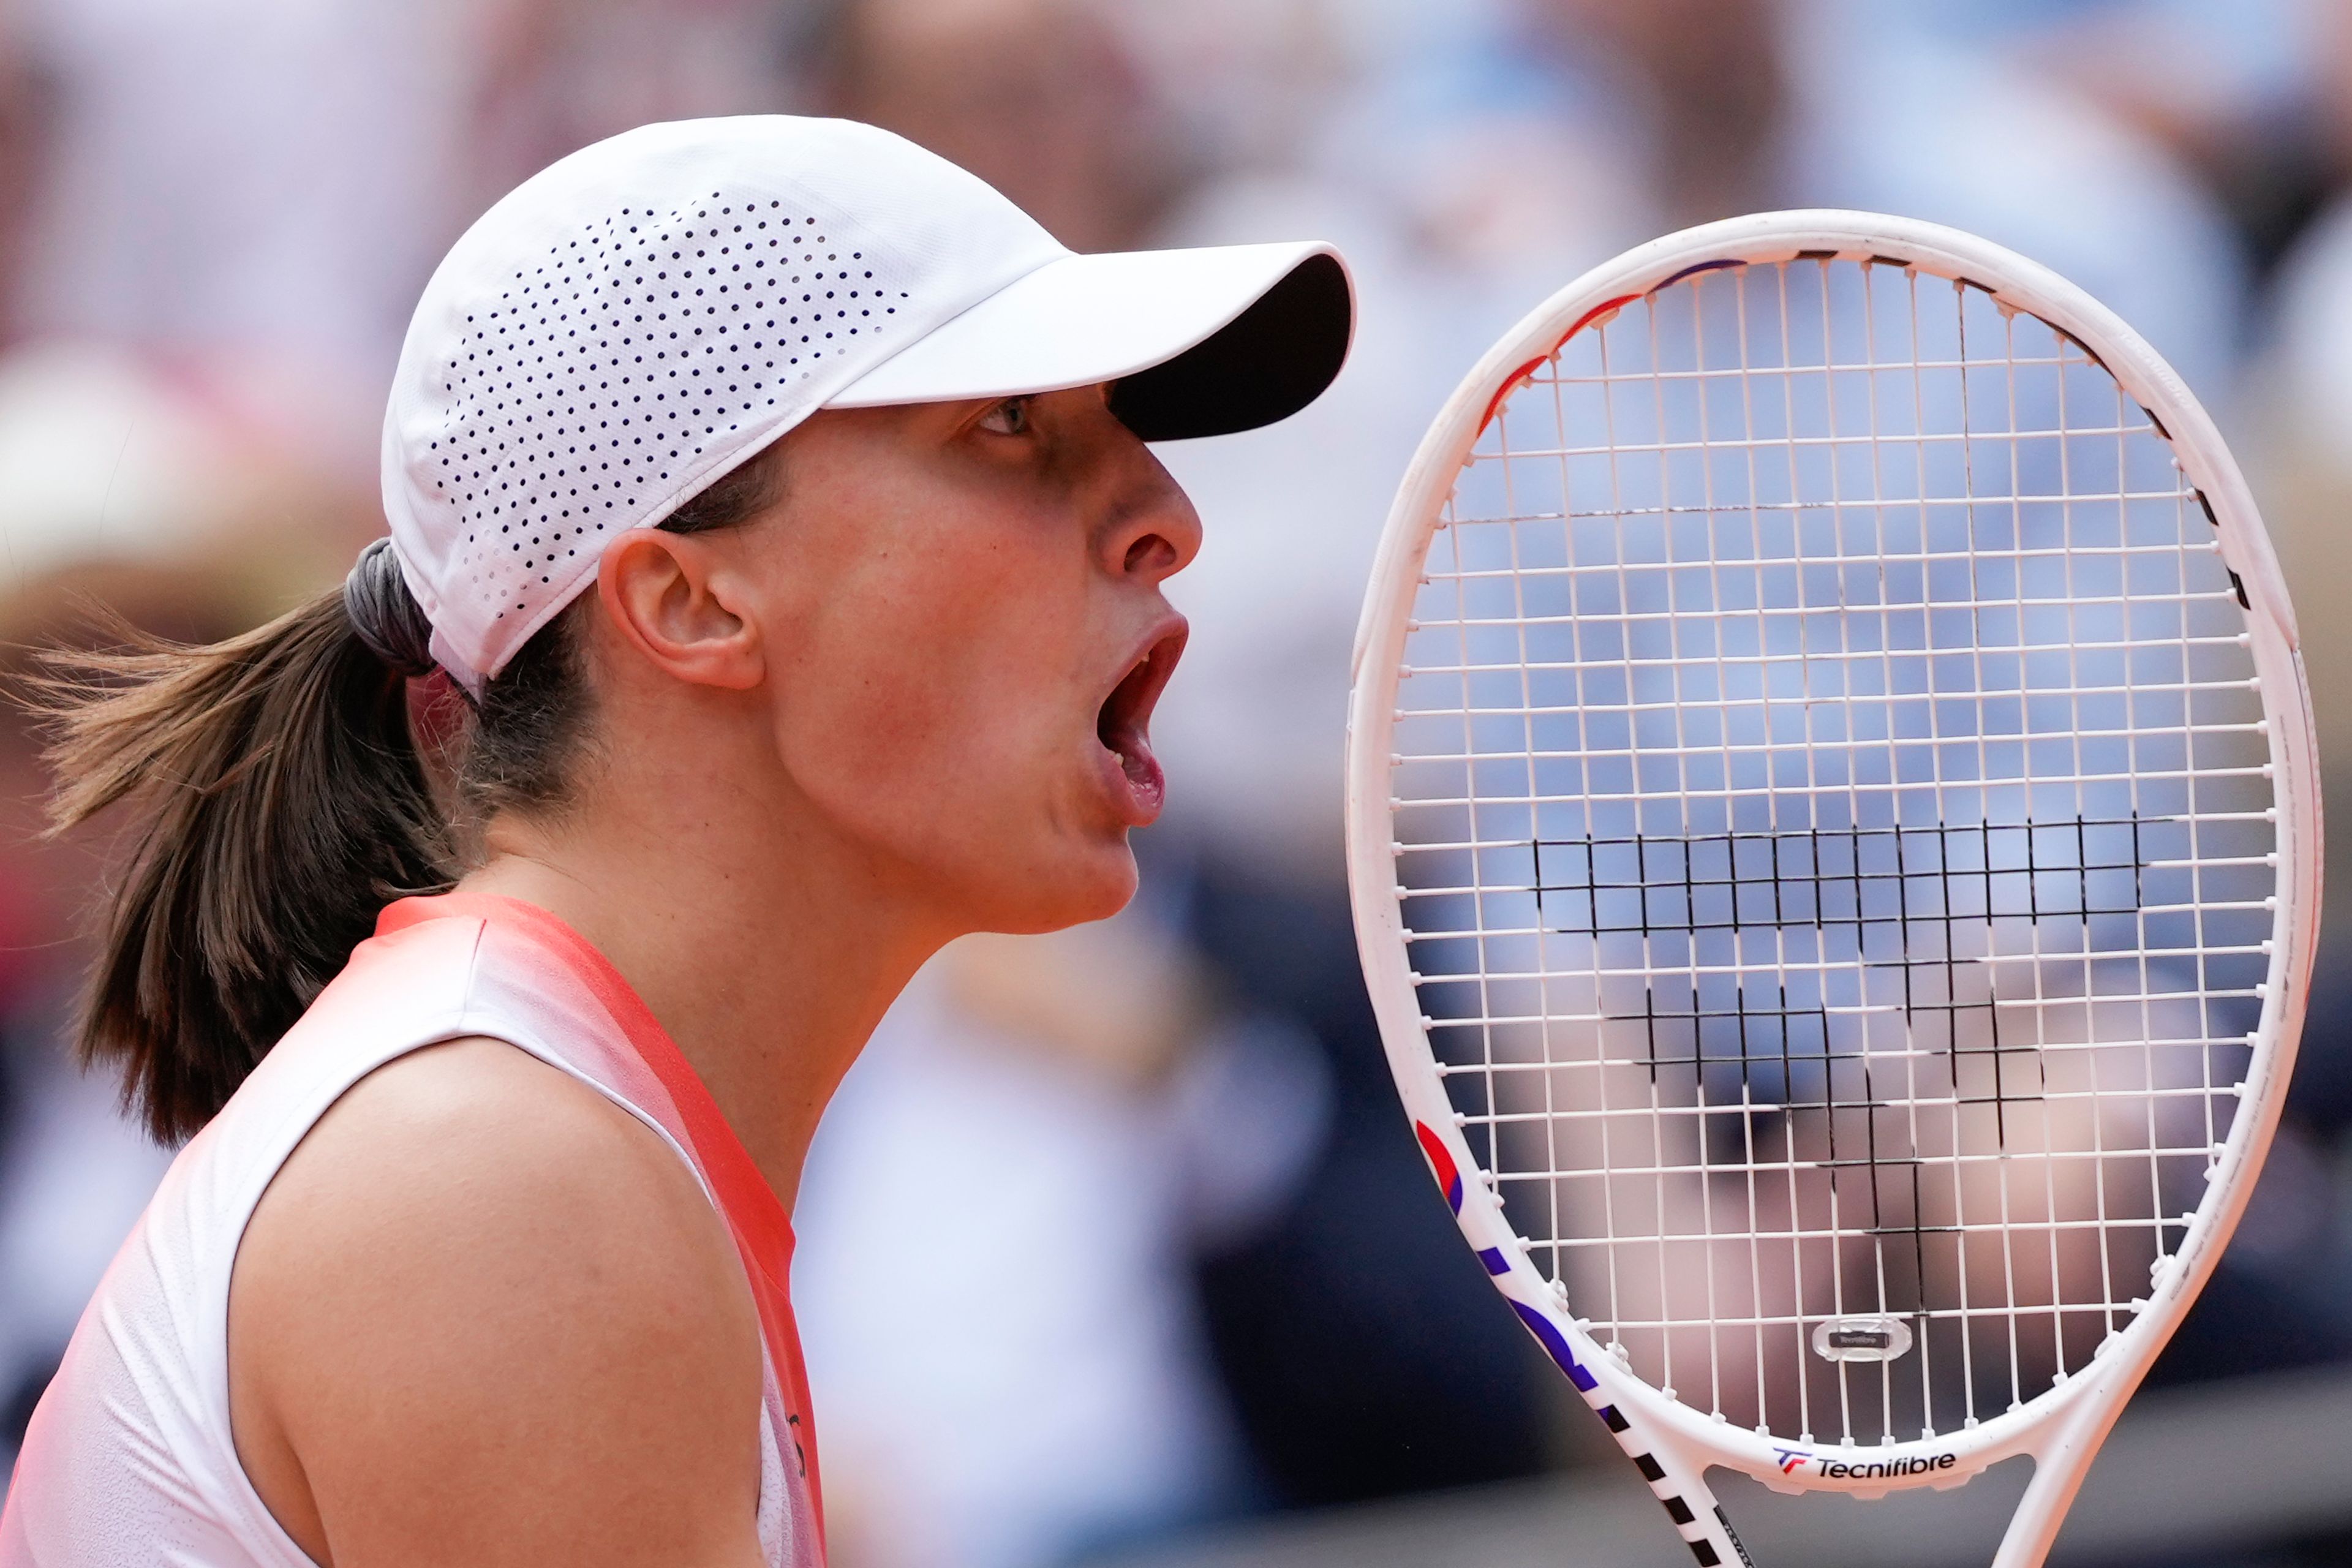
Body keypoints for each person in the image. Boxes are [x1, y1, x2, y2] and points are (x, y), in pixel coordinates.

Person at [0, 113, 1351, 1566]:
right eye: (1010, 426)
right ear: (690, 603)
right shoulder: (502, 1181)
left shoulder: (541, 1135)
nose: (1169, 516)